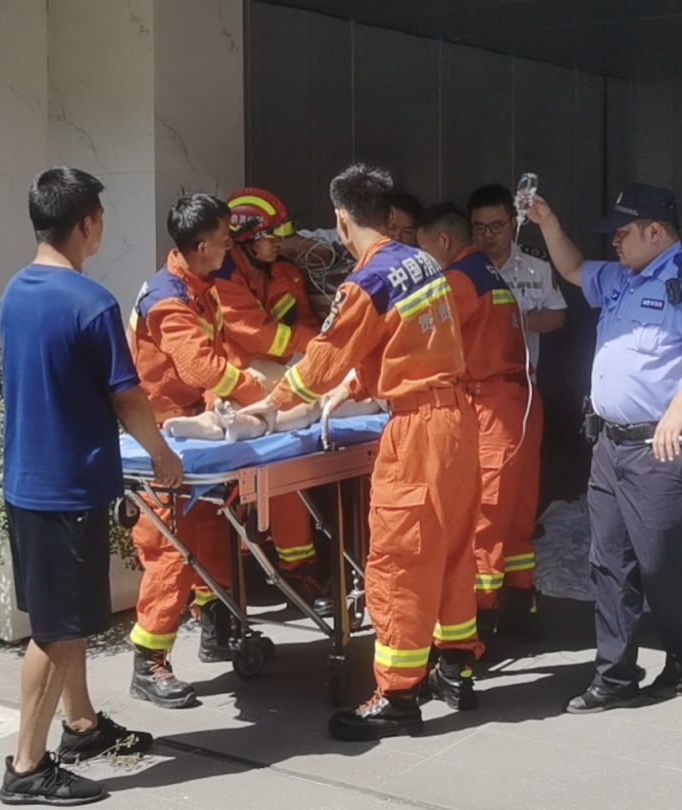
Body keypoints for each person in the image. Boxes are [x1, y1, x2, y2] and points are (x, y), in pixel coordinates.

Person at [241, 164, 483, 741]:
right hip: (457, 421)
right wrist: (355, 386)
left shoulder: (367, 281)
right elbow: (407, 344)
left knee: (401, 559)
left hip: (417, 431)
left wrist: (271, 405)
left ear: (342, 220)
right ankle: (456, 669)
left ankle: (397, 697)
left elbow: (322, 360)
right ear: (390, 214)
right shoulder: (422, 263)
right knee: (452, 548)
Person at [0, 167, 183, 806]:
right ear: (87, 223)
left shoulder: (15, 292)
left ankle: (80, 726)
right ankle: (26, 768)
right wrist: (162, 455)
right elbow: (127, 398)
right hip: (66, 489)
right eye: (100, 216)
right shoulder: (91, 303)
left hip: (29, 481)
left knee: (68, 619)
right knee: (55, 632)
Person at [526, 182, 682, 713]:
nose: (615, 242)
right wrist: (547, 221)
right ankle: (614, 676)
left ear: (656, 232)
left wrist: (677, 410)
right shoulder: (621, 277)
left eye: (622, 232)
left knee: (658, 562)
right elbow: (574, 269)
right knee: (609, 563)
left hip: (662, 448)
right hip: (610, 446)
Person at [126, 193, 270, 709]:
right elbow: (199, 366)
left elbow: (211, 363)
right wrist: (259, 391)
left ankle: (216, 626)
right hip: (159, 435)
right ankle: (148, 662)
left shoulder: (196, 285)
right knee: (171, 547)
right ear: (203, 245)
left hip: (191, 428)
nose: (232, 247)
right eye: (226, 240)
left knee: (213, 530)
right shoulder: (168, 299)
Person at [415, 203, 544, 643]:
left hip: (491, 407)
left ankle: (477, 622)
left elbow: (424, 337)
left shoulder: (458, 279)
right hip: (520, 403)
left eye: (423, 250)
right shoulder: (489, 272)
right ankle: (521, 605)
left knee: (483, 519)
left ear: (443, 242)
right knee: (516, 514)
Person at [215, 187, 330, 614]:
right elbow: (256, 335)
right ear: (245, 238)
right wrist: (313, 347)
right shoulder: (223, 277)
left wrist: (314, 352)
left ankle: (298, 570)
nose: (280, 242)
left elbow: (303, 321)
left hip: (281, 388)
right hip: (238, 388)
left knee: (286, 473)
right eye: (271, 235)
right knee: (265, 478)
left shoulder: (284, 272)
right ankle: (265, 571)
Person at [467, 183, 567, 372]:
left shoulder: (536, 265)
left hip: (521, 380)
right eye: (479, 227)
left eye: (496, 226)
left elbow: (557, 315)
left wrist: (521, 321)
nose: (488, 235)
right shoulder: (460, 269)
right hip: (472, 381)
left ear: (513, 223)